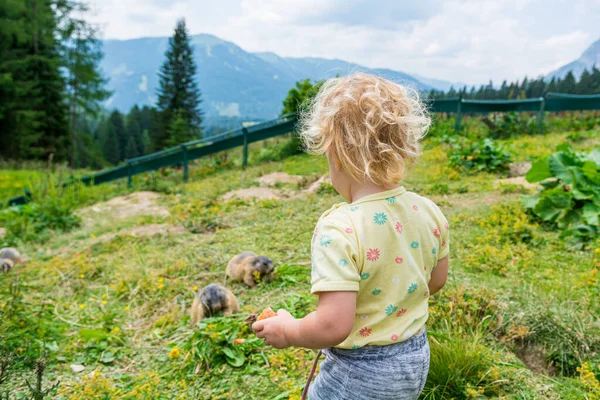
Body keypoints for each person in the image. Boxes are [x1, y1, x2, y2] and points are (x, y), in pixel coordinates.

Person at [252, 73, 450, 400]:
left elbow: (333, 326)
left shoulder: (340, 228)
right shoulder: (427, 210)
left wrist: (287, 330)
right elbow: (436, 280)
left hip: (360, 373)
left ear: (336, 155)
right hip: (414, 359)